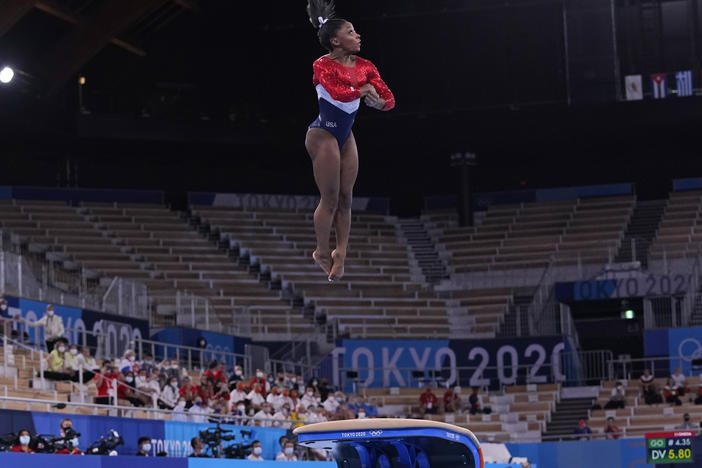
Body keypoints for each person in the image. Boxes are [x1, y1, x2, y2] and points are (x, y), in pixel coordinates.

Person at [305, 0, 395, 282]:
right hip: (323, 133)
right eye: (351, 31)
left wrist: (380, 103)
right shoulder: (322, 64)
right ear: (335, 40)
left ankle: (340, 254)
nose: (358, 35)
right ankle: (321, 250)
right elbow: (338, 92)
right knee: (330, 199)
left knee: (346, 198)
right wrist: (363, 90)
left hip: (345, 135)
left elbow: (389, 99)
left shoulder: (366, 66)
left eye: (356, 31)